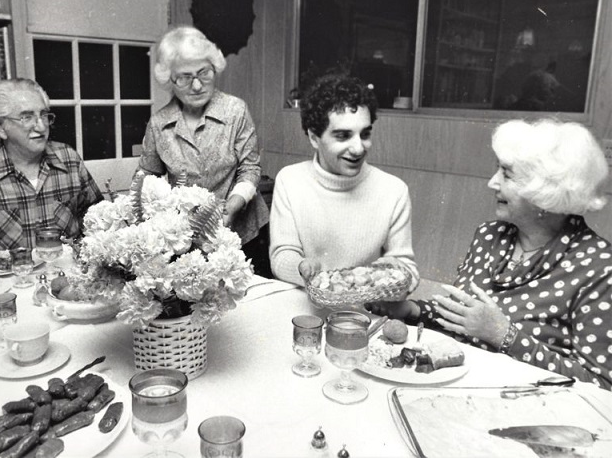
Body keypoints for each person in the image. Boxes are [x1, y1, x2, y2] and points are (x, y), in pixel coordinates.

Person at [367, 118, 612, 390]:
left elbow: (601, 385)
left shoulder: (599, 267)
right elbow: (464, 318)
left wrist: (504, 335)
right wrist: (410, 309)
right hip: (455, 388)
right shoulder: (489, 235)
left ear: (545, 191)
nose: (492, 183)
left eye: (507, 174)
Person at [137, 26, 269, 273]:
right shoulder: (159, 124)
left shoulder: (235, 110)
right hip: (190, 240)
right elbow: (147, 179)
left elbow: (250, 168)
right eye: (185, 77)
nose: (197, 85)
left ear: (214, 68)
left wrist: (235, 203)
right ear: (170, 80)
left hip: (244, 234)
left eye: (204, 73)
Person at [269, 73, 419, 289]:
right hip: (305, 303)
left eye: (365, 134)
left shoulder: (394, 190)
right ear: (314, 137)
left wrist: (396, 277)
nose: (358, 148)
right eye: (343, 136)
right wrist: (302, 267)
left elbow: (409, 272)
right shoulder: (290, 180)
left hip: (361, 312)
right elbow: (282, 255)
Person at [0, 78, 103, 253]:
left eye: (43, 115)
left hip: (67, 276)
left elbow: (100, 220)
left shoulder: (68, 159)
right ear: (0, 126)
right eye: (26, 117)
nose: (41, 126)